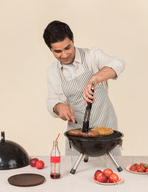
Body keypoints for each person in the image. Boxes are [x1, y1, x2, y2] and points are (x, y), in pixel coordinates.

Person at [43, 20, 125, 155]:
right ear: (50, 49)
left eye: (67, 48)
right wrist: (59, 107)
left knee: (110, 172)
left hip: (106, 134)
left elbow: (119, 63)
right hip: (77, 139)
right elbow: (52, 100)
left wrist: (94, 78)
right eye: (58, 51)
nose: (64, 55)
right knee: (76, 174)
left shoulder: (91, 56)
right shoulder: (52, 72)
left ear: (73, 39)